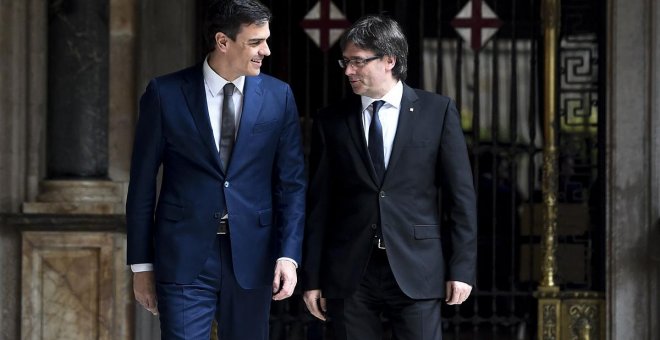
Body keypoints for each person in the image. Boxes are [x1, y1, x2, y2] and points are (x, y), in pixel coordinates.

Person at [126, 0, 306, 339]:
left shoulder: (279, 97)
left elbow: (292, 184)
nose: (265, 51)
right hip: (183, 256)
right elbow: (141, 185)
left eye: (266, 40)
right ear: (223, 41)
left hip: (254, 254)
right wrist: (141, 265)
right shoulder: (164, 94)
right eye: (255, 42)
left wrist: (288, 255)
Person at [301, 14, 477, 340]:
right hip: (350, 271)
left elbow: (461, 197)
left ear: (389, 60)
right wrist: (312, 277)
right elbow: (319, 205)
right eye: (346, 61)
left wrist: (462, 269)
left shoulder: (437, 112)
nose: (348, 70)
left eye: (357, 62)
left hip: (418, 267)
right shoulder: (331, 120)